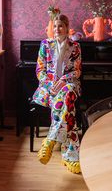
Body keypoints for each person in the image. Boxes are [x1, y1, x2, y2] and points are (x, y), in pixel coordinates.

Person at [32, 14, 82, 174]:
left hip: (68, 84)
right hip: (49, 87)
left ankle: (50, 140)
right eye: (54, 26)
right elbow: (40, 69)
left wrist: (64, 80)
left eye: (60, 26)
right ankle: (70, 156)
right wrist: (50, 84)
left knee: (67, 95)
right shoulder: (45, 44)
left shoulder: (75, 46)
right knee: (68, 106)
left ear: (67, 27)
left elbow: (77, 70)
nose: (57, 29)